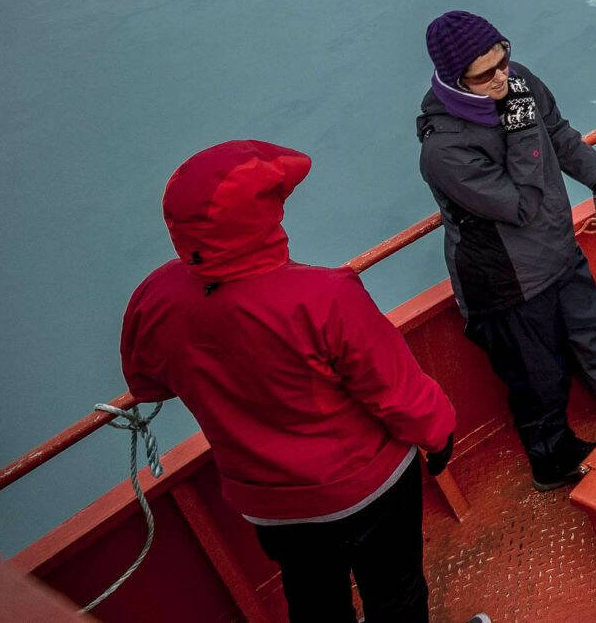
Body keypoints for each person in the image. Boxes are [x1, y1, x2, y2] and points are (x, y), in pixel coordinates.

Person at [122, 141, 457, 623]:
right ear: (262, 218)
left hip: (269, 503)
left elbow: (148, 383)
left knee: (314, 599)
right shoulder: (323, 296)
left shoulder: (157, 298)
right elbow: (395, 390)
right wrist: (438, 432)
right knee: (395, 590)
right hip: (364, 485)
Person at [417, 9, 596, 490]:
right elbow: (522, 204)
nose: (503, 76)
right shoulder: (443, 151)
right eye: (486, 74)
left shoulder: (516, 82)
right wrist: (519, 126)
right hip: (507, 284)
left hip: (557, 252)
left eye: (504, 60)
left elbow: (560, 135)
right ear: (455, 80)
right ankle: (552, 461)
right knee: (538, 379)